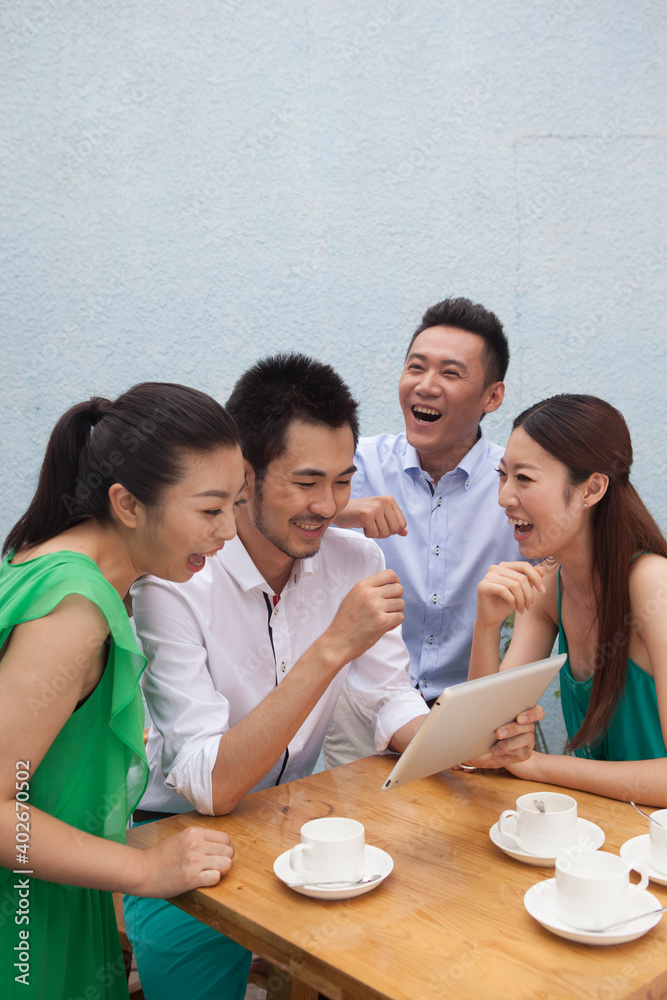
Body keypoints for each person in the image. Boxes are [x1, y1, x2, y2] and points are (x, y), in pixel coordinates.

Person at [124, 353, 540, 1000]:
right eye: (306, 482)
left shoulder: (355, 557)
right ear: (244, 477)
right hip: (176, 839)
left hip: (298, 825)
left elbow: (387, 698)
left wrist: (457, 741)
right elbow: (210, 784)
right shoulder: (176, 580)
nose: (327, 506)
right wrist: (332, 647)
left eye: (344, 481)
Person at [0, 383, 244, 1000]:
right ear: (128, 503)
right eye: (211, 510)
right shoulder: (75, 613)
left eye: (237, 505)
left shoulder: (51, 560)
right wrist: (144, 867)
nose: (230, 531)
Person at [325, 296, 521, 766]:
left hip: (473, 706)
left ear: (492, 396)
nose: (426, 386)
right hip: (363, 707)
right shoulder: (356, 464)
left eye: (451, 374)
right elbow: (255, 504)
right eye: (416, 368)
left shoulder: (516, 484)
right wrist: (341, 509)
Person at [469, 393, 667, 805]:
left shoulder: (653, 584)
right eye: (502, 475)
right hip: (594, 837)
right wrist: (487, 625)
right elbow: (483, 740)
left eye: (523, 478)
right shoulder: (549, 584)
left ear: (591, 489)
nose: (505, 497)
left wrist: (537, 764)